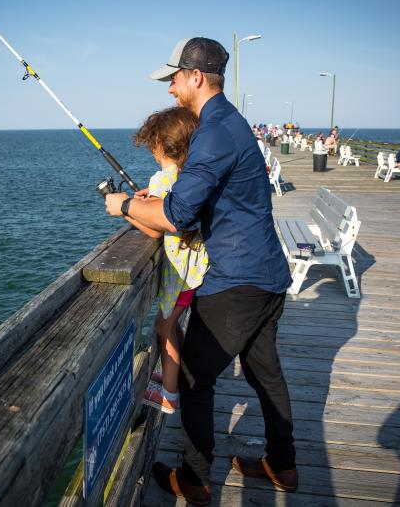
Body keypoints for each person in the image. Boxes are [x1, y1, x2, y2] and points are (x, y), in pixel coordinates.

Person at [104, 37, 297, 505]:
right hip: (266, 272)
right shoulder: (229, 123)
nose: (170, 88)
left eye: (174, 78)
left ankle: (195, 479)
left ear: (195, 77)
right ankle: (283, 465)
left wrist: (123, 204)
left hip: (237, 278)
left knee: (192, 378)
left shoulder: (212, 133)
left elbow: (176, 216)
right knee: (265, 374)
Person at [125, 106, 210, 415]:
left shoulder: (163, 179)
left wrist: (126, 208)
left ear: (159, 145)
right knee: (171, 326)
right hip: (195, 270)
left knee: (163, 328)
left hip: (181, 276)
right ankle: (177, 373)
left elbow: (153, 227)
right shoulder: (190, 176)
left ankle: (170, 394)